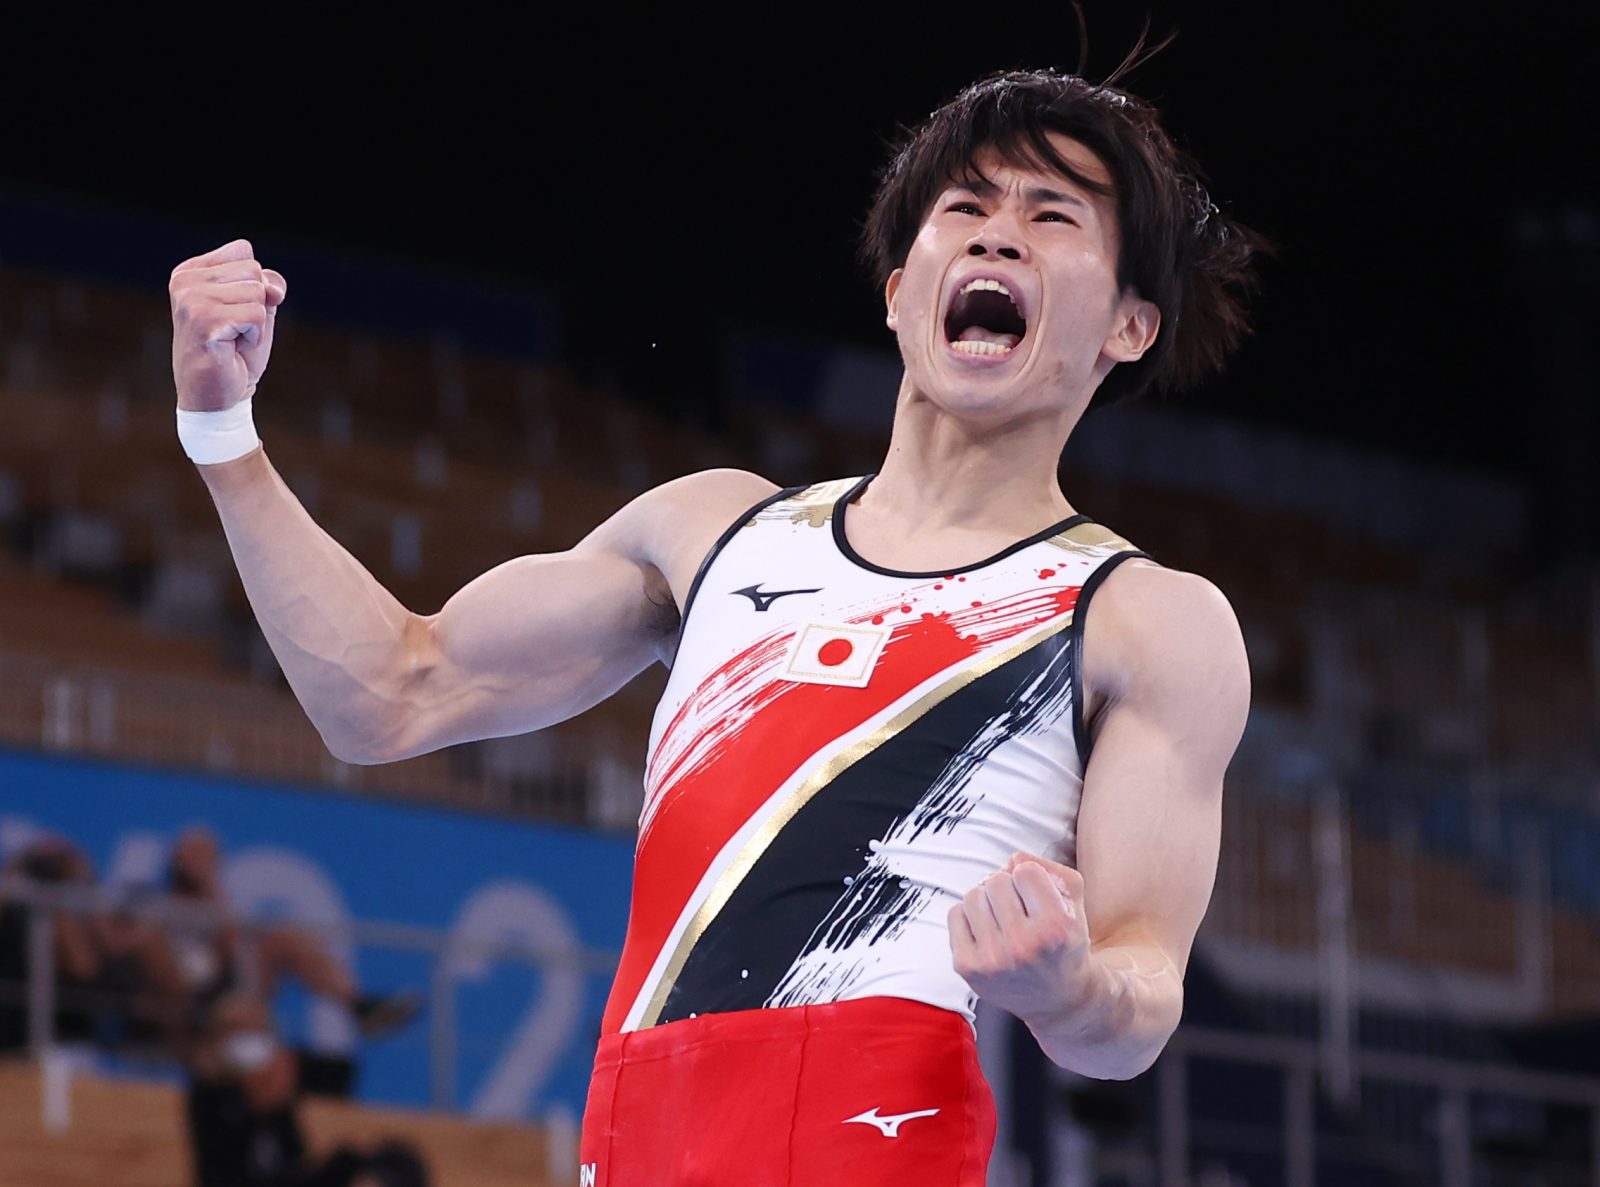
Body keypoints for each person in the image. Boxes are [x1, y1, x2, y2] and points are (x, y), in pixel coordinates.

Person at [167, 64, 1259, 1185]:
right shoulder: (712, 533)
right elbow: (387, 693)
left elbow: (1134, 1006)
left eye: (1049, 215)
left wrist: (1064, 982)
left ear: (1130, 324)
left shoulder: (1138, 618)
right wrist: (222, 434)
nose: (995, 241)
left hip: (871, 1142)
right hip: (634, 1138)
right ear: (896, 290)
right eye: (965, 209)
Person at [185, 993, 430, 1187]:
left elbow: (341, 1074)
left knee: (392, 1159)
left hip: (293, 1176)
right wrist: (261, 1108)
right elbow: (225, 1172)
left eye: (256, 1031)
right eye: (236, 1031)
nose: (248, 1042)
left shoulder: (283, 1070)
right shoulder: (209, 1095)